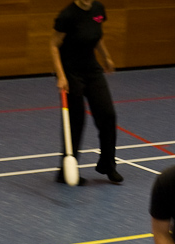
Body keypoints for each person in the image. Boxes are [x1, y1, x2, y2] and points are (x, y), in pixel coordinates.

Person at [50, 0, 123, 185]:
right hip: (70, 73)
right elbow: (54, 45)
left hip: (92, 70)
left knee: (107, 115)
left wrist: (106, 57)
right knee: (76, 120)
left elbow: (96, 36)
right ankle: (66, 171)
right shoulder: (67, 15)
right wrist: (61, 76)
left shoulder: (98, 9)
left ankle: (107, 164)